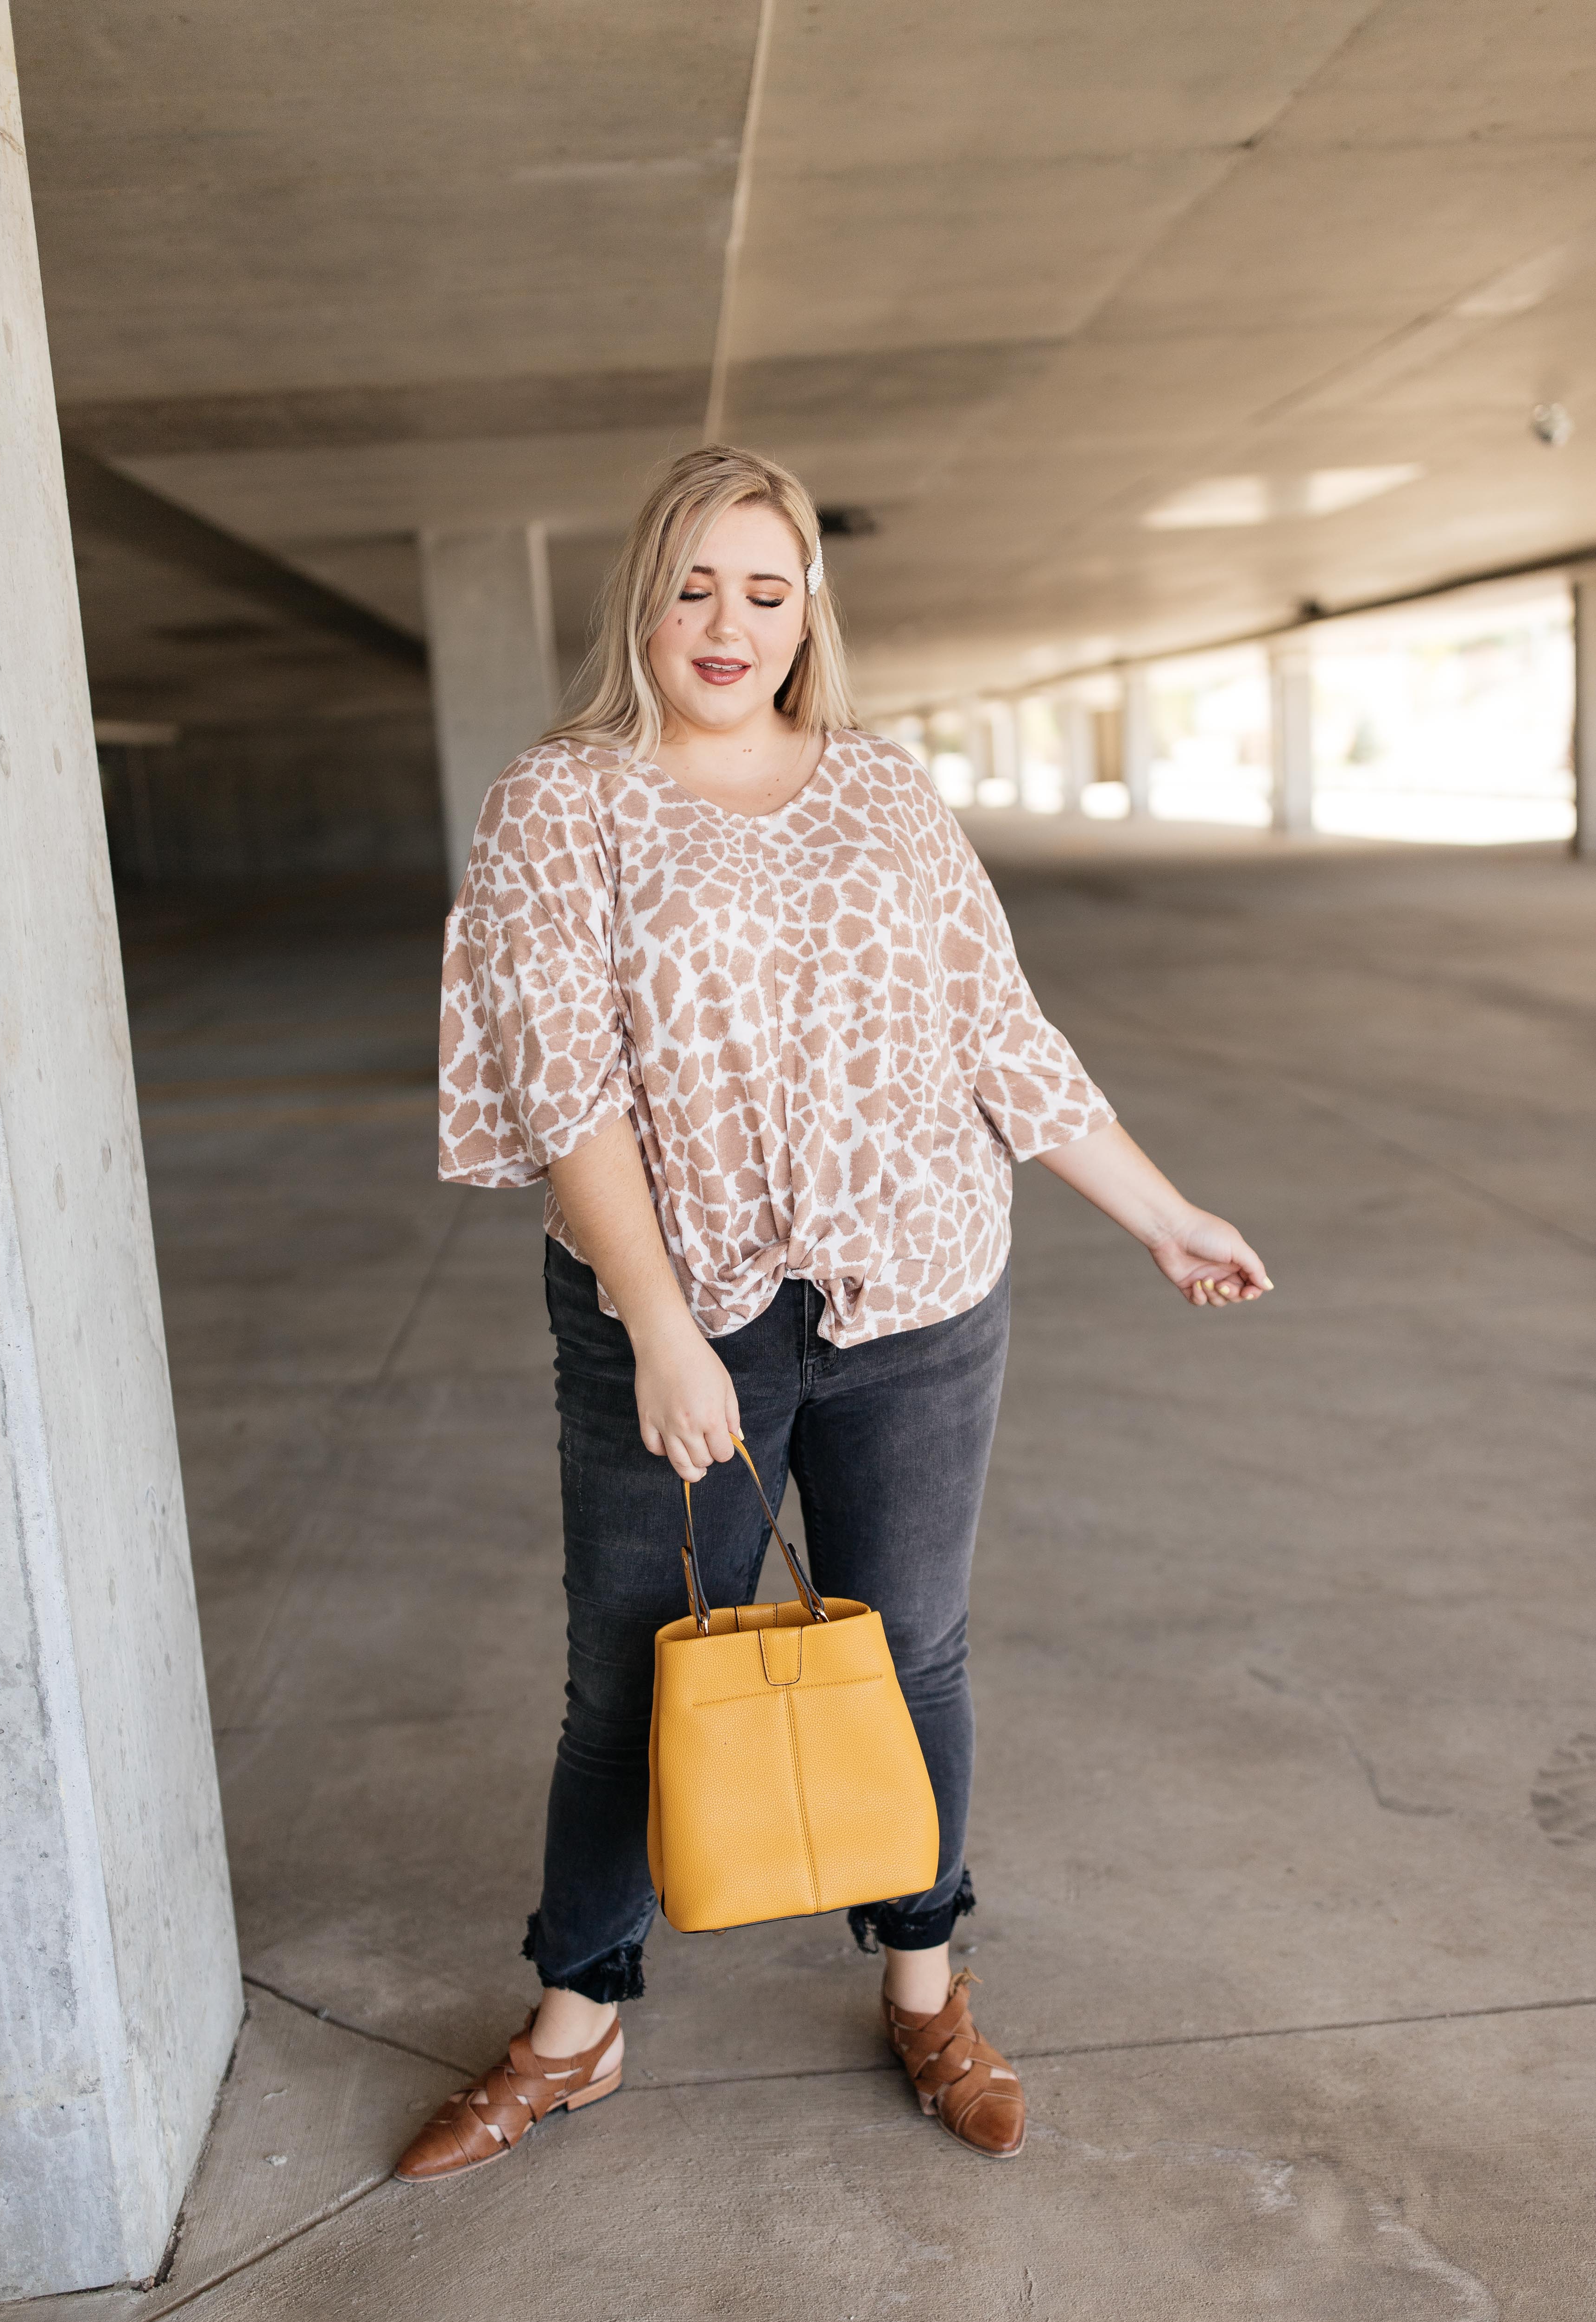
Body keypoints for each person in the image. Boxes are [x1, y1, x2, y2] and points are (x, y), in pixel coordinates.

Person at [397, 445, 1270, 2179]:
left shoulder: (881, 792)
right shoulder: (559, 802)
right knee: (630, 1682)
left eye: (767, 590)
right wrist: (657, 1327)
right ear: (643, 597)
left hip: (921, 1292)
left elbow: (997, 1032)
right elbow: (564, 1088)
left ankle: (925, 1990)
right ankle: (575, 2023)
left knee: (912, 1651)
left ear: (811, 611)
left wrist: (1163, 1214)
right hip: (676, 1309)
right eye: (696, 586)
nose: (730, 625)